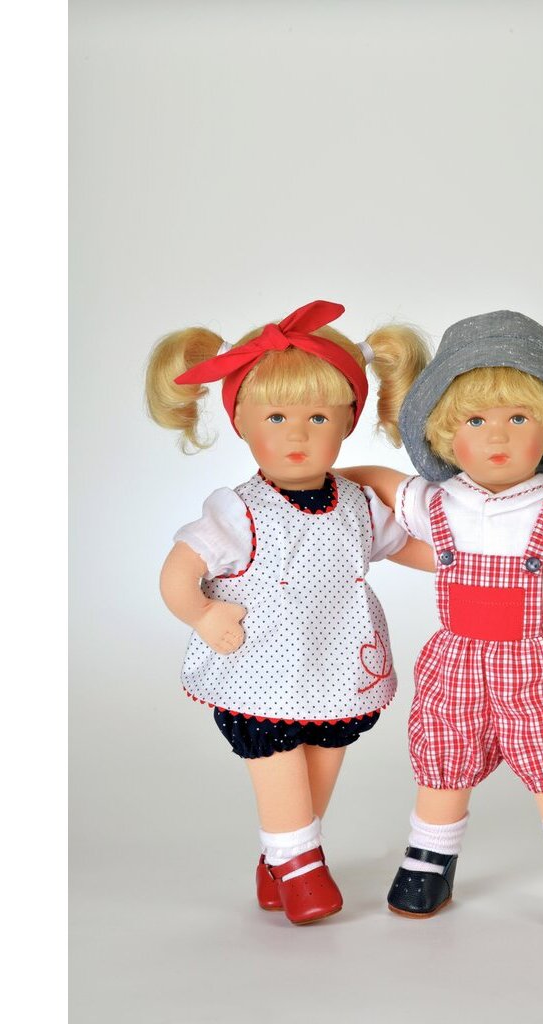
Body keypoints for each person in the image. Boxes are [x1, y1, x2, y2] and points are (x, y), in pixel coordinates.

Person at [342, 309, 543, 928]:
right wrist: (326, 481)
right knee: (444, 758)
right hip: (459, 659)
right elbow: (385, 486)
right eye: (475, 421)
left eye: (518, 419)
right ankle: (429, 862)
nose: (496, 438)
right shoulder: (441, 500)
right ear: (444, 435)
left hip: (537, 664)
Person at [145, 299, 431, 925]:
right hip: (261, 666)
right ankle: (301, 868)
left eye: (318, 417)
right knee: (277, 763)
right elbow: (178, 572)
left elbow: (401, 545)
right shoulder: (238, 509)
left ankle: (280, 858)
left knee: (321, 763)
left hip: (337, 663)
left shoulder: (356, 501)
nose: (297, 435)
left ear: (348, 422)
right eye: (276, 417)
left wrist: (461, 563)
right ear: (242, 424)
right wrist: (202, 615)